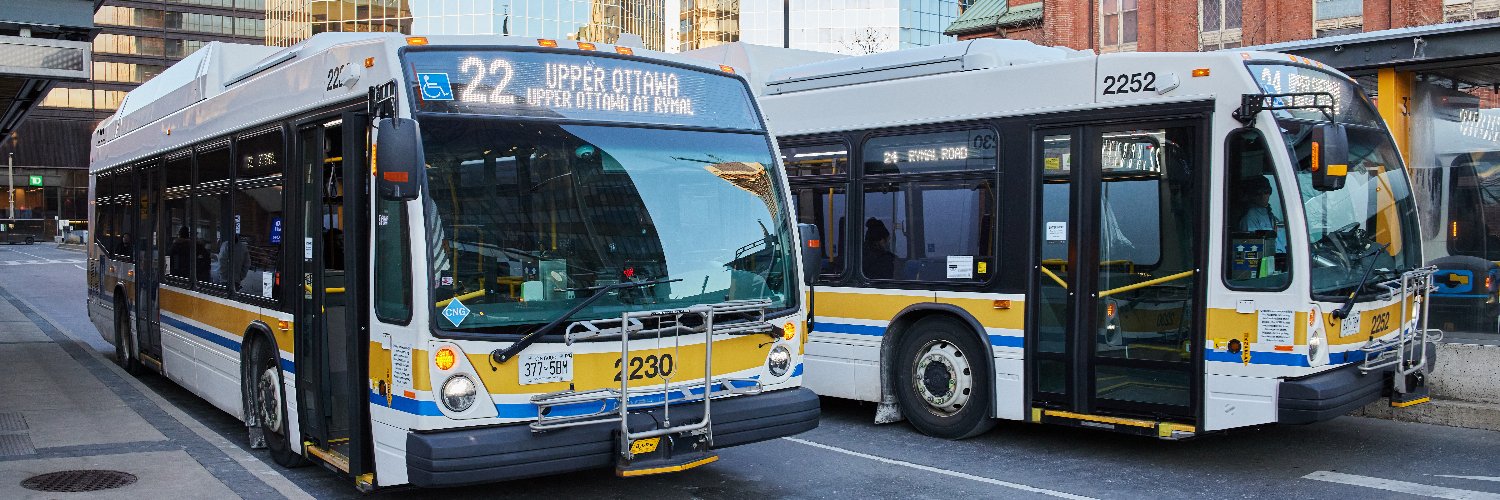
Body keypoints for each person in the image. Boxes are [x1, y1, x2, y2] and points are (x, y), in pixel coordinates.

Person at [1237, 176, 1287, 253]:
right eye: (1258, 193)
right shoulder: (1250, 217)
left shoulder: (1270, 215)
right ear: (1252, 195)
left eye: (1266, 192)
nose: (1263, 196)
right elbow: (1253, 248)